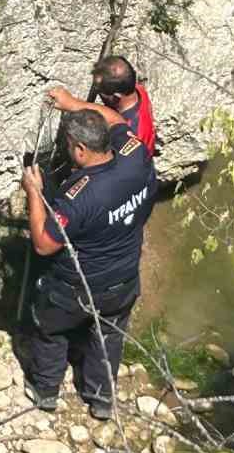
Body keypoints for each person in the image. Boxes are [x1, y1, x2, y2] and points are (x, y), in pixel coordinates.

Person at [20, 107, 157, 420]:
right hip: (122, 280)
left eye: (70, 146)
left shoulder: (79, 197)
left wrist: (34, 193)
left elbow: (43, 244)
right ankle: (101, 398)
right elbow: (118, 120)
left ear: (80, 150)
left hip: (77, 287)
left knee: (51, 331)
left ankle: (46, 392)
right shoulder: (136, 158)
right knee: (107, 336)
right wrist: (70, 101)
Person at [47, 55, 157, 156]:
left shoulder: (130, 133)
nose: (96, 91)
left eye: (99, 89)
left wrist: (73, 104)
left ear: (116, 96)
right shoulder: (136, 90)